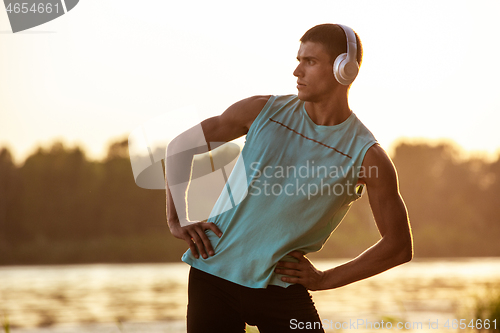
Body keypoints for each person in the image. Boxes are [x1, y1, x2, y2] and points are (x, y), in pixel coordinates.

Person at [165, 23, 413, 333]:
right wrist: (177, 219)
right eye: (298, 60)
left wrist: (325, 279)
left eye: (310, 62)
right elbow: (180, 147)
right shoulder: (261, 111)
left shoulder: (366, 155)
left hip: (281, 288)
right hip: (212, 272)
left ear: (344, 70)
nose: (297, 71)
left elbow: (399, 246)